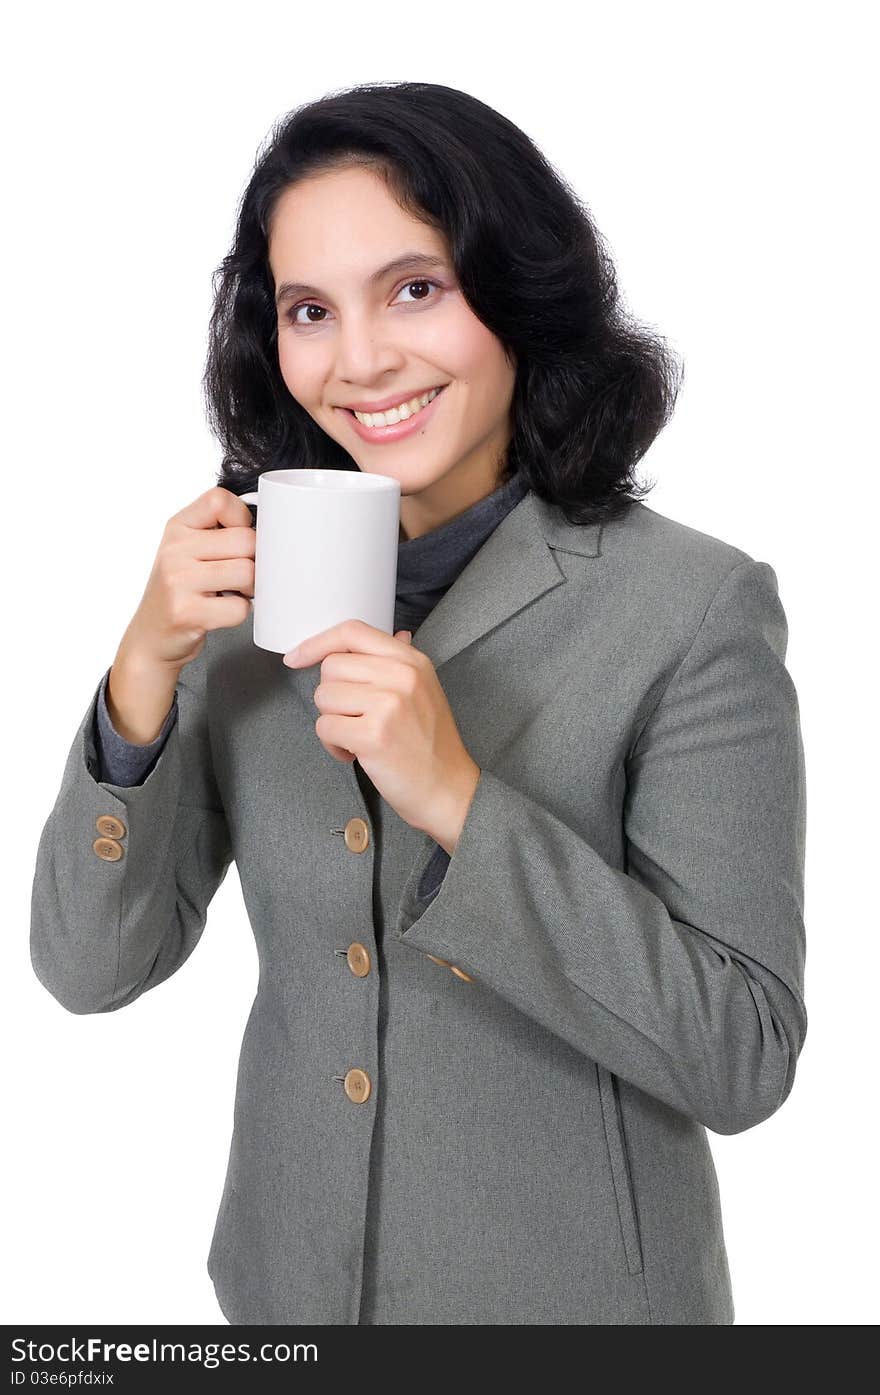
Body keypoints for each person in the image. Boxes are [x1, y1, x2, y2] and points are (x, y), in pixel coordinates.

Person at [30, 81, 808, 1325]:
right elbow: (89, 969)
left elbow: (744, 1053)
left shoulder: (691, 606)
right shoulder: (240, 600)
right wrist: (142, 671)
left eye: (415, 289)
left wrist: (457, 800)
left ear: (516, 290)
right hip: (283, 1303)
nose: (362, 359)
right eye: (308, 310)